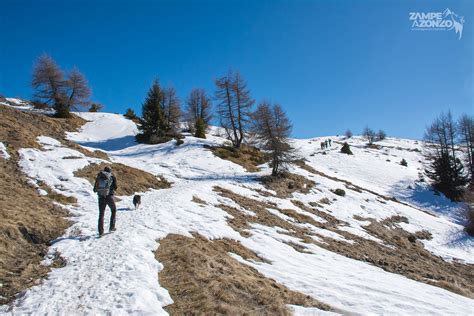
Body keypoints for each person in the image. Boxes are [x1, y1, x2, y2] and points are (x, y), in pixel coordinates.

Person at [93, 166, 118, 236]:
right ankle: (111, 227)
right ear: (110, 171)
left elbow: (95, 189)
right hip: (109, 197)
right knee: (113, 210)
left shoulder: (99, 177)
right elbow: (116, 187)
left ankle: (101, 232)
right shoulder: (112, 176)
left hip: (101, 197)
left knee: (101, 214)